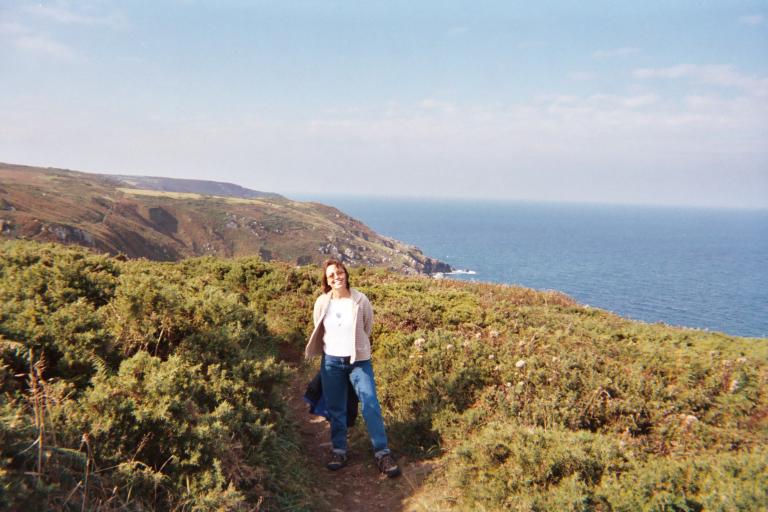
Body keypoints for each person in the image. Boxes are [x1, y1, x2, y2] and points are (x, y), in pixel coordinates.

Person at [305, 259, 401, 478]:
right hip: (331, 363)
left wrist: (356, 349)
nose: (336, 277)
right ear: (326, 281)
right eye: (331, 275)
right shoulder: (322, 302)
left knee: (370, 404)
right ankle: (339, 451)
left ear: (346, 274)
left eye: (339, 273)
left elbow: (367, 326)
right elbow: (318, 327)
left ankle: (382, 453)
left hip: (358, 361)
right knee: (336, 408)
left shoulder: (360, 300)